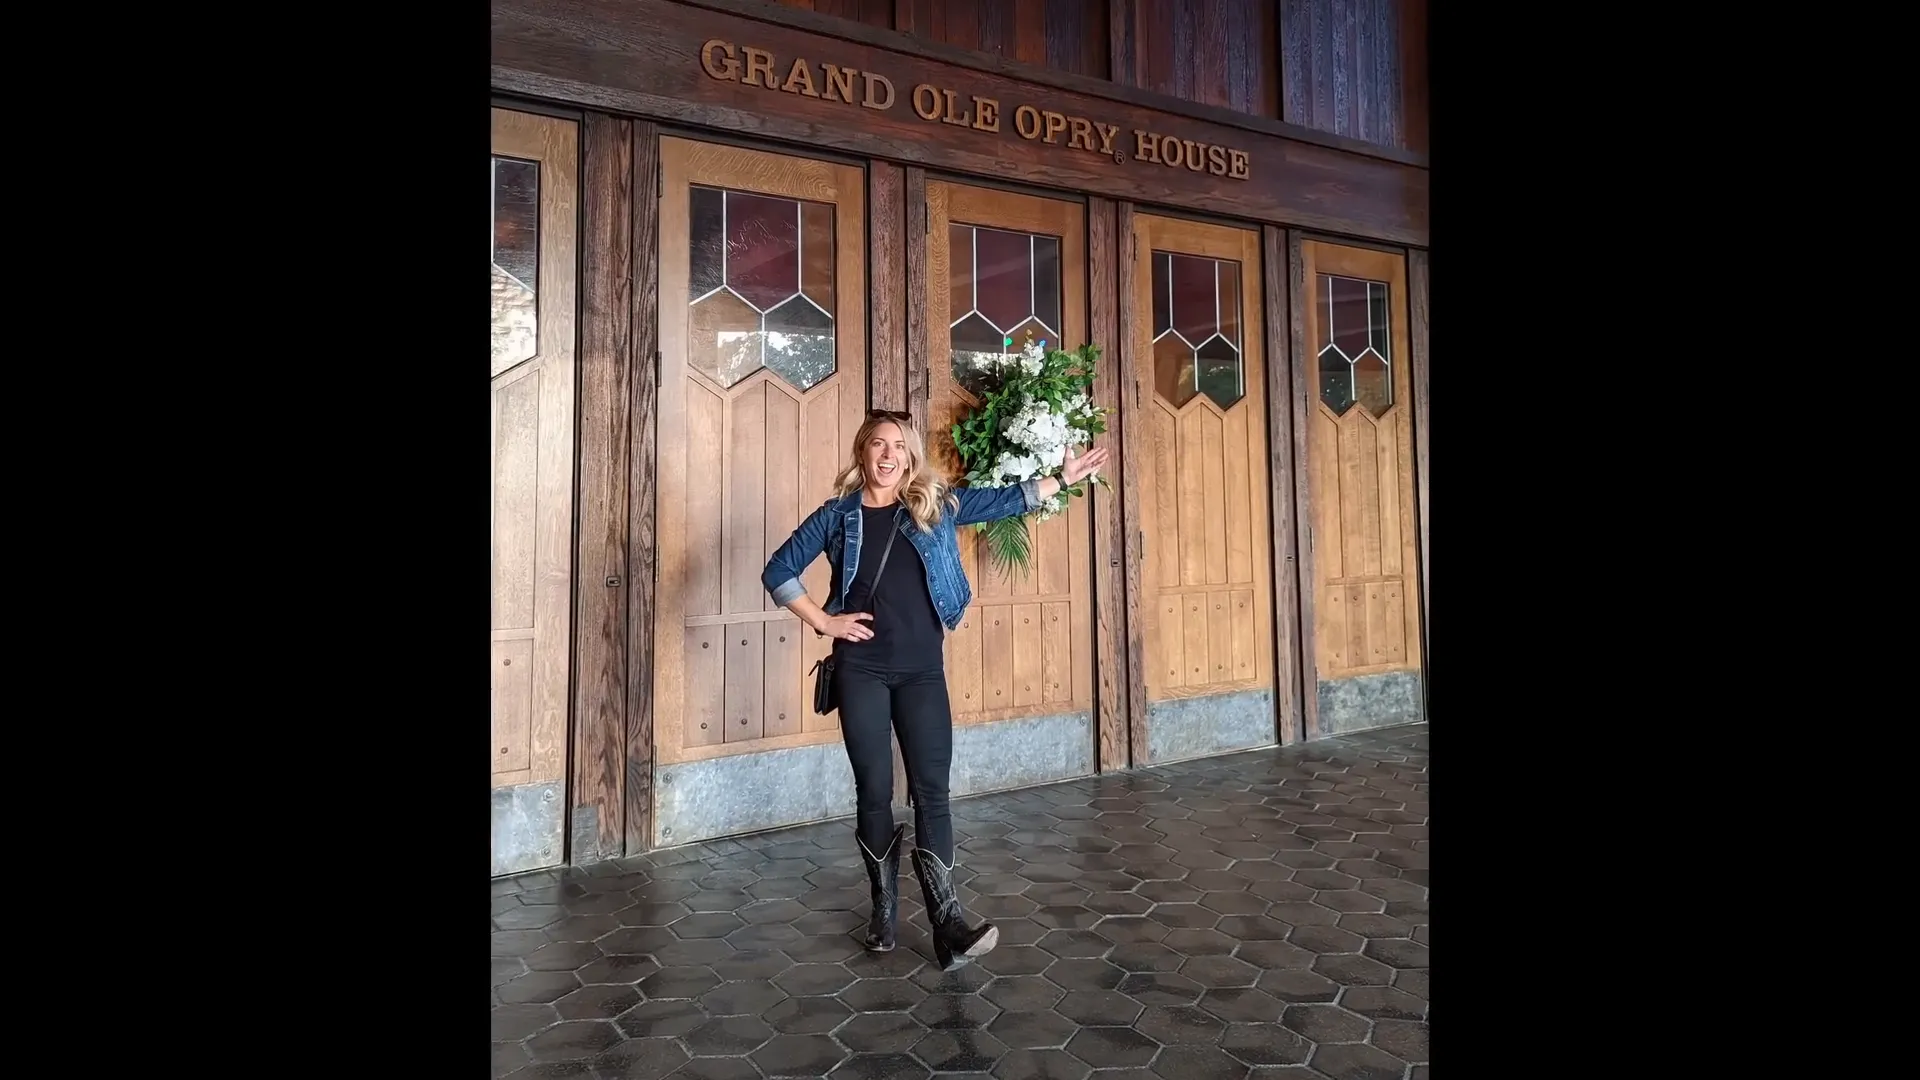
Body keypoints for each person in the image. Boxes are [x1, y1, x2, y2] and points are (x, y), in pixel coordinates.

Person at [761, 408, 1110, 969]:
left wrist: (1062, 479)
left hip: (923, 672)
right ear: (861, 452)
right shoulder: (837, 516)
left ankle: (947, 922)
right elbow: (778, 570)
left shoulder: (934, 506)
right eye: (877, 444)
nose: (887, 454)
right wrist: (824, 623)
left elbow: (1004, 500)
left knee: (933, 793)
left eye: (898, 445)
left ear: (910, 456)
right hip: (862, 672)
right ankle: (883, 908)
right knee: (875, 790)